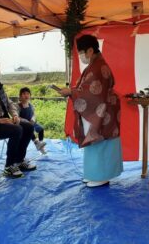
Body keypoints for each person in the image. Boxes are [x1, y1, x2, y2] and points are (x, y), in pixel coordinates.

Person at [59, 34, 123, 187]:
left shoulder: (98, 67)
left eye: (81, 52)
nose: (80, 56)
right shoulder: (96, 65)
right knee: (96, 144)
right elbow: (87, 90)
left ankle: (101, 176)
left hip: (102, 111)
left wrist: (71, 92)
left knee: (100, 143)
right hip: (101, 110)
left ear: (89, 51)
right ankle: (93, 174)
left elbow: (92, 94)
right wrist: (73, 91)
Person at [18, 87, 46, 153]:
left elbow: (34, 114)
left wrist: (32, 120)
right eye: (24, 94)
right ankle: (37, 143)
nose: (26, 95)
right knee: (29, 129)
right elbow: (17, 117)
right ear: (20, 96)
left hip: (32, 122)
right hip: (23, 124)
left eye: (28, 94)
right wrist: (26, 121)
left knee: (41, 129)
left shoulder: (31, 105)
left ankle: (40, 145)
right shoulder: (18, 106)